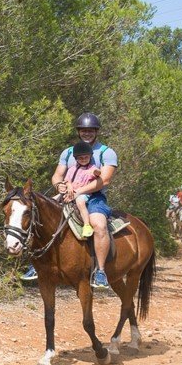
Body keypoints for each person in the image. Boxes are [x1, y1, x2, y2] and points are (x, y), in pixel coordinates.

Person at [51, 112, 118, 289]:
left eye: (90, 130)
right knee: (42, 216)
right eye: (83, 130)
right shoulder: (68, 152)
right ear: (78, 131)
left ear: (96, 131)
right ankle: (36, 265)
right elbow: (58, 175)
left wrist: (78, 191)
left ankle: (101, 271)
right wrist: (60, 187)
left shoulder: (106, 153)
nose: (86, 133)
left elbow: (104, 179)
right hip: (68, 194)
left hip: (94, 197)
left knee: (99, 225)